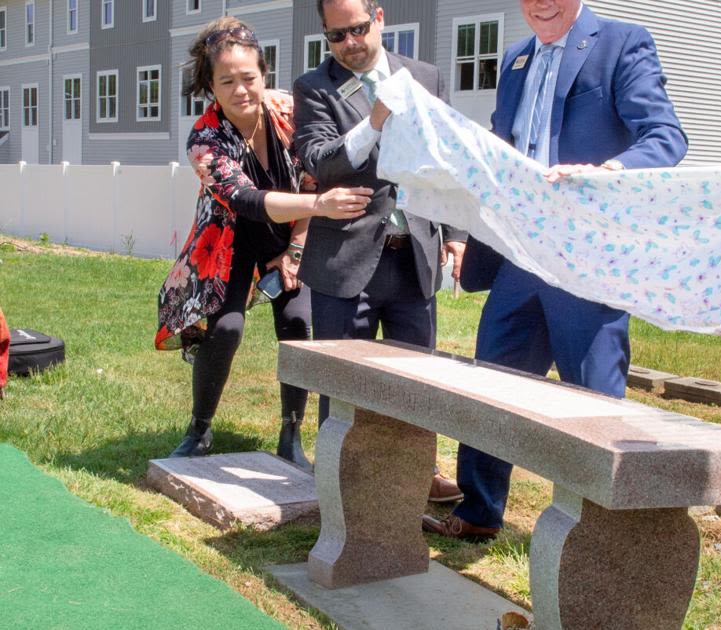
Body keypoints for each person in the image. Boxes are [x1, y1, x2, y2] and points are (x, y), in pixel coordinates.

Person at [422, 0, 688, 541]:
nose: (541, 3)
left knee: (592, 398)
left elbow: (665, 137)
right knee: (491, 386)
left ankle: (605, 530)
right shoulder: (516, 59)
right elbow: (504, 146)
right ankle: (477, 513)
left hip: (586, 257)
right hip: (519, 253)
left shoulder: (621, 43)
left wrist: (608, 172)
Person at [155, 17, 372, 470]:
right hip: (229, 244)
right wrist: (317, 207)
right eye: (226, 81)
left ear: (264, 73)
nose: (240, 90)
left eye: (248, 78)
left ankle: (291, 436)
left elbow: (317, 176)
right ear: (210, 85)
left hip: (292, 235)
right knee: (226, 329)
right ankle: (199, 428)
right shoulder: (204, 139)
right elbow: (245, 199)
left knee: (296, 326)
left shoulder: (291, 111)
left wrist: (295, 250)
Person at [292, 0, 467, 502]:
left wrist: (456, 233)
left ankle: (415, 478)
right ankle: (342, 489)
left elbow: (445, 159)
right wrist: (374, 120)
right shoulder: (314, 88)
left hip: (412, 256)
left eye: (358, 29)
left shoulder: (425, 76)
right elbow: (321, 162)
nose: (349, 43)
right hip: (345, 264)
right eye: (336, 35)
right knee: (344, 385)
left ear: (381, 18)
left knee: (416, 381)